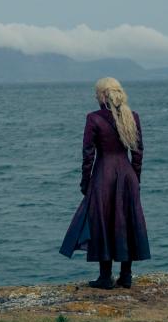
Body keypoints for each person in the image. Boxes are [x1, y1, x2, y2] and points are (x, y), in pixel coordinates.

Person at [59, 77, 150, 289]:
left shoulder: (94, 118)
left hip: (103, 175)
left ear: (101, 95)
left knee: (103, 222)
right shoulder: (132, 117)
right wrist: (135, 180)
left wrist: (85, 183)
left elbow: (87, 154)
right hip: (127, 175)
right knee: (126, 222)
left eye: (95, 94)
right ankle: (126, 276)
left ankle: (105, 277)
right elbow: (138, 153)